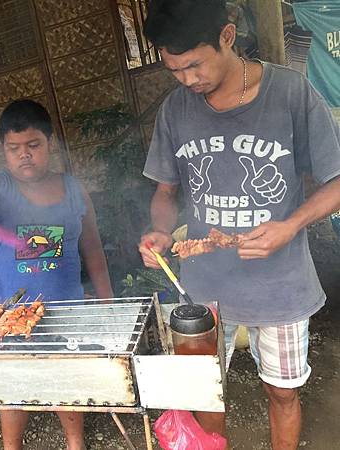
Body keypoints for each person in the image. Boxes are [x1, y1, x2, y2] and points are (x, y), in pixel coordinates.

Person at [137, 1, 340, 449]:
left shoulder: (290, 92)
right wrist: (161, 232)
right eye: (175, 70)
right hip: (204, 290)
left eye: (194, 65)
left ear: (227, 37)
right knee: (205, 393)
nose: (187, 79)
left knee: (282, 392)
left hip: (281, 284)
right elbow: (166, 194)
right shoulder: (175, 110)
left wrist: (291, 226)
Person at [0, 99, 114, 450]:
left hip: (67, 310)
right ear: (3, 150)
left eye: (33, 146)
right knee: (11, 383)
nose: (24, 155)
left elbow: (92, 248)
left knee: (66, 378)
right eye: (14, 149)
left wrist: (106, 303)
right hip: (11, 316)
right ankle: (11, 446)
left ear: (51, 143)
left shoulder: (74, 190)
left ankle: (76, 442)